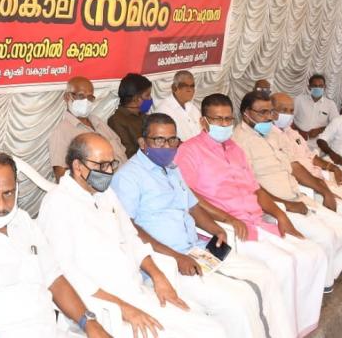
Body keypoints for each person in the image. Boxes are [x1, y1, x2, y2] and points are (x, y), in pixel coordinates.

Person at [111, 113, 295, 338]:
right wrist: (177, 258)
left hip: (197, 249)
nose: (166, 146)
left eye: (172, 140)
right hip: (168, 261)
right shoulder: (128, 177)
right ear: (142, 142)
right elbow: (128, 228)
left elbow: (193, 206)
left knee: (265, 276)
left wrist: (214, 228)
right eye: (159, 140)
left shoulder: (171, 168)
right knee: (237, 302)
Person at [38, 133, 228, 338]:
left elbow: (131, 238)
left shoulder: (105, 194)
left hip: (136, 293)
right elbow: (65, 273)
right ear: (78, 166)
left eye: (112, 164)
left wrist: (158, 277)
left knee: (211, 330)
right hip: (100, 307)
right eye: (102, 166)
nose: (109, 171)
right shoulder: (57, 203)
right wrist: (123, 308)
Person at [175, 93, 328, 337]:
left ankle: (300, 323)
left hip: (257, 218)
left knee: (313, 253)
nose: (224, 125)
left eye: (227, 119)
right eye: (217, 120)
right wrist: (227, 219)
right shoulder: (189, 151)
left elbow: (256, 189)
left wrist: (280, 215)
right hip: (227, 226)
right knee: (284, 264)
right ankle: (280, 328)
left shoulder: (235, 149)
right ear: (204, 122)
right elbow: (188, 195)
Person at [0, 152, 110, 338]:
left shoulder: (24, 222)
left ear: (16, 189)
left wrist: (89, 322)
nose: (1, 205)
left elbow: (55, 280)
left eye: (8, 193)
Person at [271, 92, 342, 278]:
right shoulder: (271, 136)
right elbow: (294, 168)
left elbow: (311, 156)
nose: (288, 115)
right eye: (283, 110)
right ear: (271, 112)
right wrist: (324, 189)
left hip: (322, 176)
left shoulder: (292, 133)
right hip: (309, 186)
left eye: (291, 111)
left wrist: (333, 168)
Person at [48, 77, 127, 179]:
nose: (86, 101)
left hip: (127, 178)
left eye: (90, 97)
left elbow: (121, 150)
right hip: (101, 188)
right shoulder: (61, 132)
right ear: (67, 97)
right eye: (81, 96)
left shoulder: (97, 121)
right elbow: (61, 175)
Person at [108, 73, 153, 158]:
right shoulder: (117, 121)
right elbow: (127, 153)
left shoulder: (144, 116)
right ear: (136, 98)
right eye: (147, 95)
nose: (150, 99)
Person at [153, 70, 202, 142]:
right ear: (174, 88)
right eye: (184, 86)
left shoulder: (193, 108)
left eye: (192, 86)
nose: (189, 90)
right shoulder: (163, 111)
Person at [293, 74, 339, 143]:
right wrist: (300, 132)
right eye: (314, 86)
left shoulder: (330, 104)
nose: (318, 88)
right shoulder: (299, 100)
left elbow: (336, 124)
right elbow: (289, 119)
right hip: (297, 139)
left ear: (325, 87)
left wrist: (320, 130)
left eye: (320, 86)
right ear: (309, 87)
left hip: (318, 143)